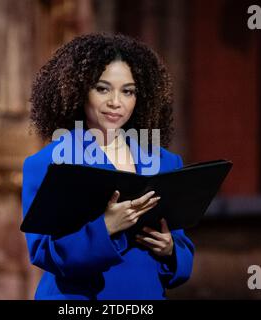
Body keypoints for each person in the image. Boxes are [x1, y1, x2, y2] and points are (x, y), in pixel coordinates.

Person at [21, 33, 194, 300]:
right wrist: (106, 227)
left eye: (128, 91)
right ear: (79, 91)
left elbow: (181, 249)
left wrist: (170, 249)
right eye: (102, 88)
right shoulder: (47, 163)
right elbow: (43, 252)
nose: (116, 102)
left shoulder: (164, 162)